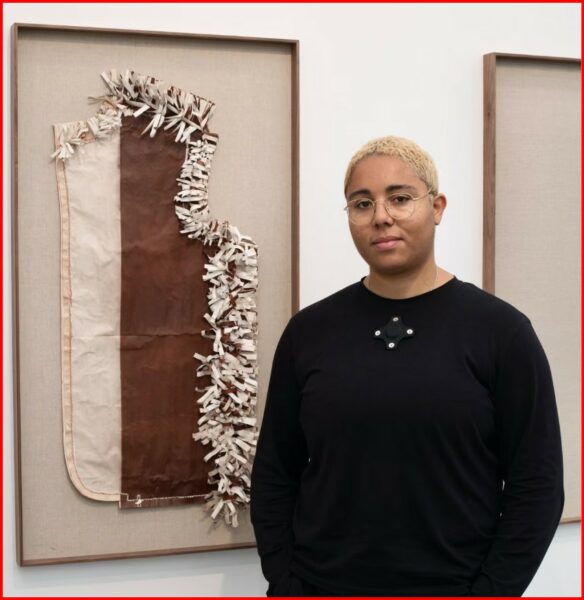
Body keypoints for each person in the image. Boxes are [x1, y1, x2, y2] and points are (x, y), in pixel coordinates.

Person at [249, 136, 564, 597]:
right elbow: (275, 474)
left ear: (436, 207)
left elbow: (537, 486)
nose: (381, 216)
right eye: (362, 203)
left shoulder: (501, 332)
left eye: (399, 198)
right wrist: (286, 582)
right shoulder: (309, 333)